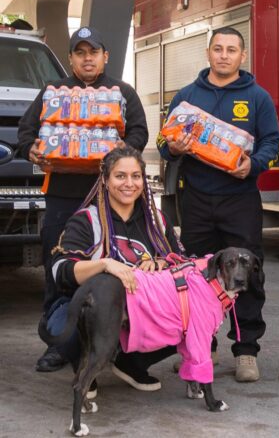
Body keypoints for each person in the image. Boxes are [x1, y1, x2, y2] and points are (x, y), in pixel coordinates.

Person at [17, 26, 149, 373]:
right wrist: (33, 150)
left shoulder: (121, 92)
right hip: (63, 193)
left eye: (94, 52)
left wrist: (121, 155)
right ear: (72, 58)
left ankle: (120, 340)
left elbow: (139, 132)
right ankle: (59, 344)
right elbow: (26, 132)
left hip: (111, 198)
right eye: (80, 52)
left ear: (105, 56)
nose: (87, 58)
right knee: (58, 266)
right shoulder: (52, 91)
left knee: (113, 260)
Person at [157, 26, 279, 382]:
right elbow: (165, 142)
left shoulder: (257, 97)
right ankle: (200, 348)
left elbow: (272, 143)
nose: (224, 55)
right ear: (208, 53)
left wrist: (253, 165)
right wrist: (173, 148)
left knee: (247, 273)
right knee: (195, 275)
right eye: (218, 49)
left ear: (243, 56)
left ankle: (245, 350)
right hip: (195, 198)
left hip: (240, 198)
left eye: (231, 49)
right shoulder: (187, 95)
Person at [47, 146, 180, 394]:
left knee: (189, 317)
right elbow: (59, 270)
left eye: (136, 176)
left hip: (141, 310)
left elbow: (183, 264)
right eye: (120, 176)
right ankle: (86, 367)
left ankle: (131, 364)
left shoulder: (157, 220)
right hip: (93, 308)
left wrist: (163, 264)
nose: (129, 183)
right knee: (61, 327)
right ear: (106, 180)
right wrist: (106, 264)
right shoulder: (87, 219)